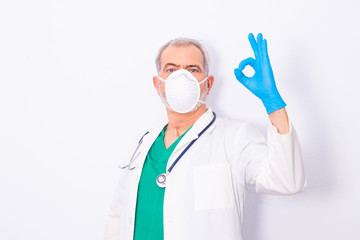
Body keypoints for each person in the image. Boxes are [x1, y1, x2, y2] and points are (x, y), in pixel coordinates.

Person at [105, 33, 306, 240]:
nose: (181, 78)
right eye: (172, 69)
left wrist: (273, 103)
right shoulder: (141, 144)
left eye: (193, 70)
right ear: (158, 84)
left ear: (208, 84)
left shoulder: (236, 138)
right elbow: (118, 217)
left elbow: (287, 181)